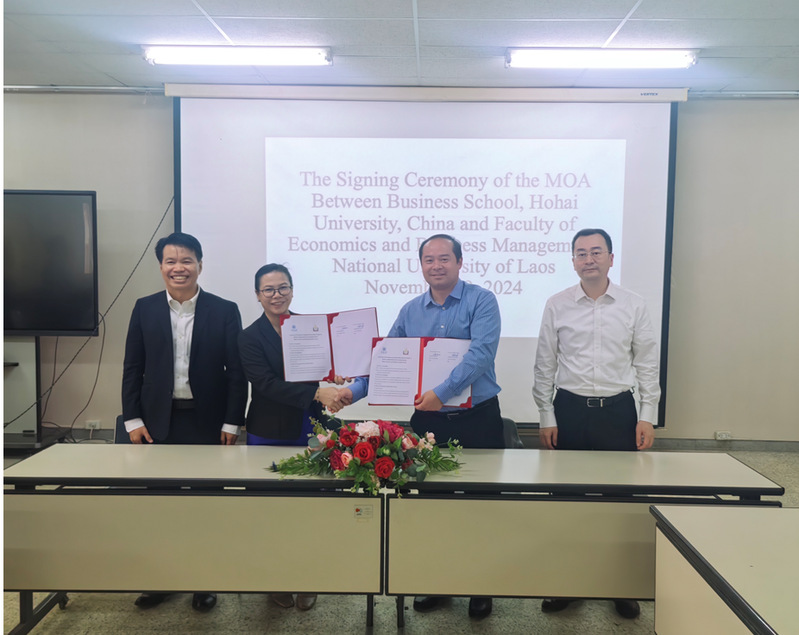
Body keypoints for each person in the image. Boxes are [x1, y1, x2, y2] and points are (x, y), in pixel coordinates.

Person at [345, 234, 503, 620]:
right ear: (421, 266)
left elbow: (481, 355)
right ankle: (437, 580)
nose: (437, 266)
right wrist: (352, 392)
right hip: (428, 423)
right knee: (431, 507)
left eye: (444, 258)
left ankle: (481, 586)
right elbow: (386, 361)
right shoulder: (410, 311)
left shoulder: (482, 301)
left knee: (480, 507)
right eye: (429, 260)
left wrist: (441, 392)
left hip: (477, 420)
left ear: (459, 262)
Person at [532, 227, 660, 620]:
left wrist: (647, 414)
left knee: (619, 501)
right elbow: (544, 364)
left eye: (596, 252)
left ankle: (618, 585)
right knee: (566, 501)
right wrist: (546, 415)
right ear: (573, 261)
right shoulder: (557, 304)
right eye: (581, 253)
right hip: (569, 410)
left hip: (618, 411)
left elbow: (647, 363)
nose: (589, 259)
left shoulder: (634, 304)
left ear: (610, 258)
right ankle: (568, 582)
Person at [121, 231, 248, 613]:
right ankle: (162, 580)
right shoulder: (144, 308)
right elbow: (133, 367)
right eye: (171, 261)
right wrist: (132, 418)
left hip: (207, 423)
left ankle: (203, 580)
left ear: (200, 265)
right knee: (160, 506)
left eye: (187, 260)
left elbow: (236, 373)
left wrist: (232, 422)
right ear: (161, 266)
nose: (179, 268)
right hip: (157, 424)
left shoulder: (224, 310)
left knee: (206, 506)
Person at [238, 263, 344, 612]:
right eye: (268, 289)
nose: (277, 295)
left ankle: (308, 577)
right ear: (257, 295)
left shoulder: (309, 328)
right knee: (271, 510)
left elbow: (325, 368)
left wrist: (337, 376)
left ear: (292, 290)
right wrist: (316, 392)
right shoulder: (249, 337)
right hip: (268, 432)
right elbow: (265, 385)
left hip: (309, 427)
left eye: (283, 287)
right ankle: (275, 578)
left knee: (311, 508)